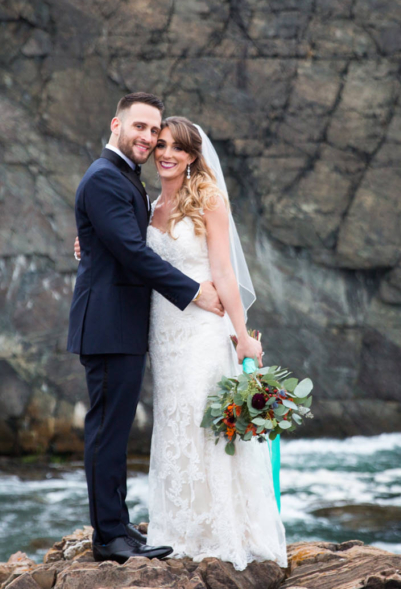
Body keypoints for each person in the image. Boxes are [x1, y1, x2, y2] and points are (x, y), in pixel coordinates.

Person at [76, 116, 287, 570]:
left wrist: (243, 333)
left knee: (202, 419)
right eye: (160, 146)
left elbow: (224, 272)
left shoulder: (208, 198)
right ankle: (177, 528)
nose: (166, 153)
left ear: (193, 155)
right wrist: (86, 241)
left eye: (176, 147)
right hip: (162, 330)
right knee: (174, 423)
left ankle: (220, 529)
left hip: (202, 328)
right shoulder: (148, 203)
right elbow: (125, 245)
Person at [66, 93, 226, 564]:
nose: (148, 137)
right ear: (117, 124)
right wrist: (195, 291)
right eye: (140, 127)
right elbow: (134, 254)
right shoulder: (104, 179)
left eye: (153, 130)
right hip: (109, 325)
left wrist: (88, 242)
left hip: (123, 325)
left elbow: (123, 240)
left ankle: (119, 527)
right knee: (106, 434)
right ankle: (108, 536)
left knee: (114, 432)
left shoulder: (122, 178)